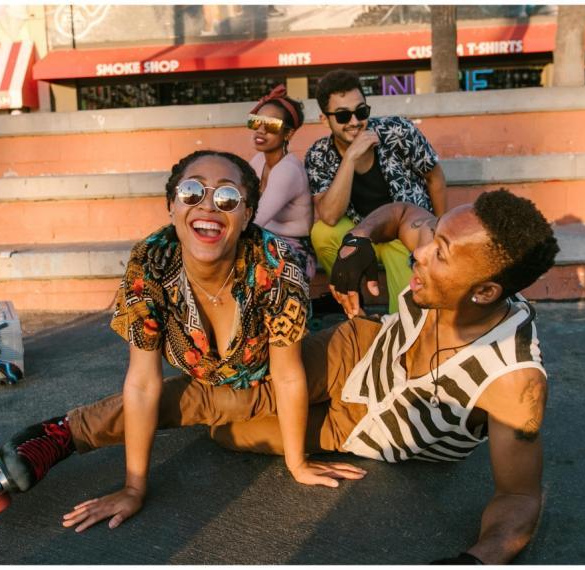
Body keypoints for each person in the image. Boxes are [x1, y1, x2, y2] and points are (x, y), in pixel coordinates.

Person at [0, 150, 365, 532]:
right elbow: (142, 383)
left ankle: (66, 432)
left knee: (230, 425)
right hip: (223, 395)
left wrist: (297, 465)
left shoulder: (275, 264)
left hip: (294, 370)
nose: (208, 207)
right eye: (191, 192)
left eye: (227, 198)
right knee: (226, 428)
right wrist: (134, 488)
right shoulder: (149, 264)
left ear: (248, 213)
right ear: (171, 205)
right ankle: (63, 434)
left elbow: (287, 376)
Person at [210, 189, 560, 564]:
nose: (420, 252)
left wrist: (476, 560)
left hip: (361, 428)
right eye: (434, 237)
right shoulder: (448, 249)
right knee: (223, 397)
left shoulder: (513, 379)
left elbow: (519, 497)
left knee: (228, 431)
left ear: (485, 291)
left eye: (439, 253)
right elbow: (402, 213)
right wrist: (358, 239)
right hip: (363, 350)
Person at [305, 69, 447, 313]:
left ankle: (403, 332)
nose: (354, 122)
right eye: (342, 116)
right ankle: (354, 304)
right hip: (362, 232)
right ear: (324, 120)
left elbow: (434, 177)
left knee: (407, 311)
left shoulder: (398, 132)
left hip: (402, 233)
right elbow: (329, 216)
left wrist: (442, 231)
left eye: (361, 111)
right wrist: (349, 158)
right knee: (322, 233)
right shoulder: (319, 155)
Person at [247, 84, 316, 280]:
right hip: (266, 242)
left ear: (288, 134)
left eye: (270, 125)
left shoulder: (288, 170)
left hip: (294, 253)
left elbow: (254, 219)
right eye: (256, 122)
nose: (260, 130)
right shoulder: (258, 160)